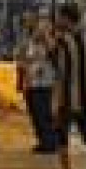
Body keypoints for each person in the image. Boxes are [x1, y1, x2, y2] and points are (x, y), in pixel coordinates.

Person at [53, 3, 86, 169]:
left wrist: (56, 100)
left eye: (60, 17)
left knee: (62, 136)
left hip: (68, 98)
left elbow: (61, 72)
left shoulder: (63, 41)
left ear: (66, 19)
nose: (58, 20)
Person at [15, 15, 59, 154]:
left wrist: (45, 37)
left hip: (46, 83)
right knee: (35, 114)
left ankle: (51, 143)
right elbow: (20, 62)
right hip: (30, 83)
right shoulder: (25, 41)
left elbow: (55, 54)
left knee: (45, 113)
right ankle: (42, 141)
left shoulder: (51, 42)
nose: (35, 29)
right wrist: (20, 81)